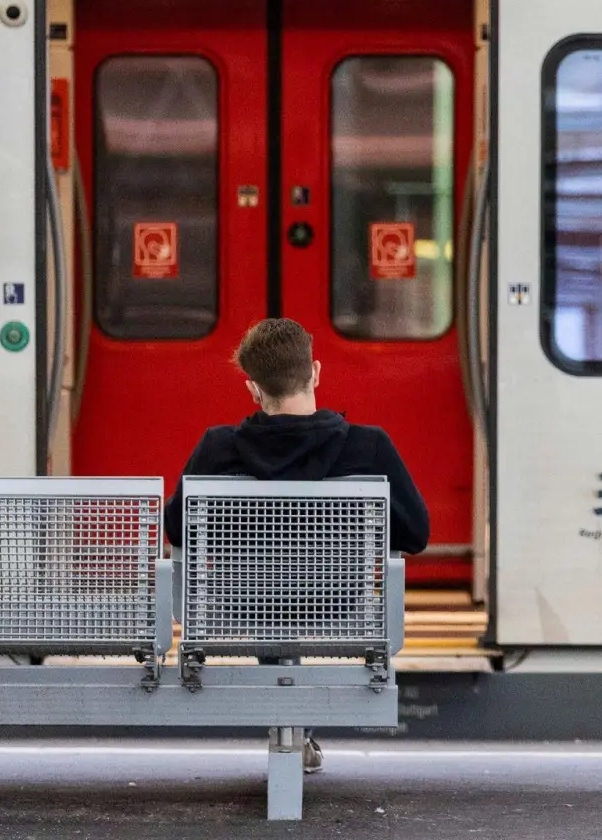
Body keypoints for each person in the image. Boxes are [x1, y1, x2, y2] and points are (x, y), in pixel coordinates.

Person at [163, 317, 431, 772]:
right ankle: (296, 730)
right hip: (335, 600)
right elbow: (417, 535)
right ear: (316, 373)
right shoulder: (368, 447)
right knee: (286, 592)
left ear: (252, 389)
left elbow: (176, 529)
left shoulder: (217, 448)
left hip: (244, 603)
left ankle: (293, 726)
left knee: (270, 596)